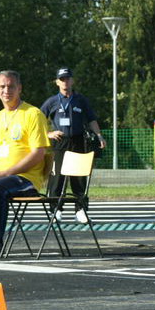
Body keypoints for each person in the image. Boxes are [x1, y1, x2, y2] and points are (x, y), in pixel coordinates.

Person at [0, 71, 50, 259]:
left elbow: (38, 153)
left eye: (11, 86)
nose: (6, 90)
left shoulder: (33, 114)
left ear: (19, 88)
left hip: (25, 178)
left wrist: (2, 174)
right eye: (2, 86)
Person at [39, 67, 107, 224]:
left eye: (68, 78)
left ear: (72, 80)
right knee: (57, 178)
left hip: (78, 141)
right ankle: (56, 210)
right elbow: (38, 120)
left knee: (79, 177)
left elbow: (91, 119)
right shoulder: (52, 101)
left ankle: (80, 209)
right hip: (60, 142)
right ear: (57, 82)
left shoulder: (80, 100)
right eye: (62, 79)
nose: (65, 82)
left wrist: (99, 135)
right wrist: (48, 134)